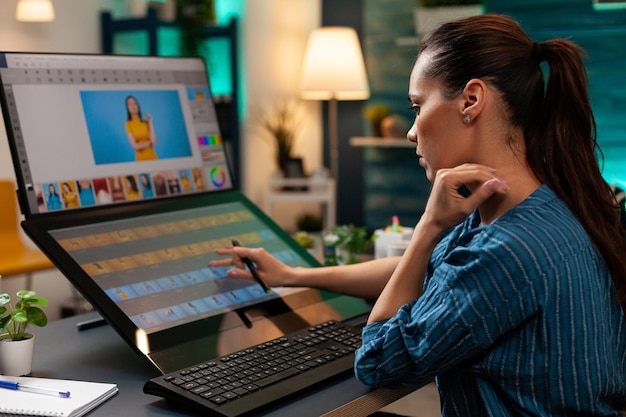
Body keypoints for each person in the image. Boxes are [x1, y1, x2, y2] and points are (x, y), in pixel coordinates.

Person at [211, 14, 626, 416]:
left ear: (471, 100)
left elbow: (376, 360)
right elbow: (433, 269)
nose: (411, 131)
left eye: (416, 106)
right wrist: (293, 275)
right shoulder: (543, 206)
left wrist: (428, 225)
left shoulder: (504, 249)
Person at [125, 95, 158, 161]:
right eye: (130, 104)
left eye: (134, 103)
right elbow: (135, 146)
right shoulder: (128, 124)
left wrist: (150, 122)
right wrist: (149, 143)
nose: (132, 106)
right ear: (127, 108)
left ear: (138, 105)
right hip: (141, 158)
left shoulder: (146, 122)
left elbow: (154, 142)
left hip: (152, 156)